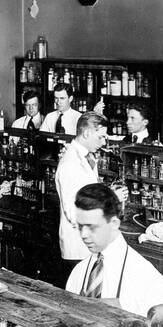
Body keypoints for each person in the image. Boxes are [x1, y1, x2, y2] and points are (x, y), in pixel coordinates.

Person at [65, 184, 163, 324]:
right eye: (80, 226)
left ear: (114, 223)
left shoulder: (146, 278)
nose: (84, 235)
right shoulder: (78, 272)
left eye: (91, 226)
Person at [55, 112, 108, 284]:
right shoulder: (70, 163)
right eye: (100, 137)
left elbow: (86, 192)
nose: (104, 142)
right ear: (86, 133)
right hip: (77, 245)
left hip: (88, 243)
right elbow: (73, 212)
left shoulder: (87, 157)